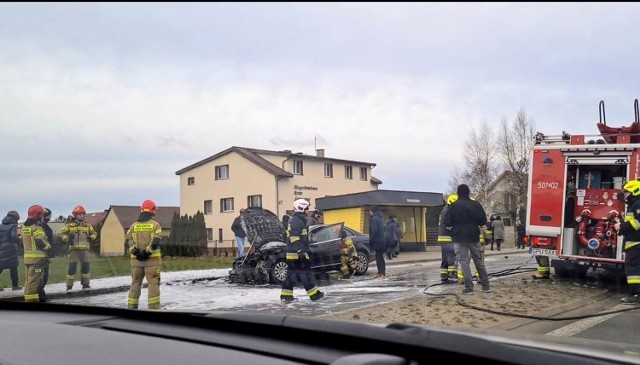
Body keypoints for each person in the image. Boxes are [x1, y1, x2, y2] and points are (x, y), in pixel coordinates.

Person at [444, 184, 491, 294]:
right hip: (474, 236)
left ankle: (469, 287)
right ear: (468, 192)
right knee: (479, 261)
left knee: (464, 262)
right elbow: (483, 220)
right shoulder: (476, 204)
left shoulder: (454, 206)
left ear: (458, 193)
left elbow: (447, 222)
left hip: (459, 237)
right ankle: (486, 286)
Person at [280, 199, 324, 302]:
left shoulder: (298, 220)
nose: (308, 211)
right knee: (306, 274)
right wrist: (301, 252)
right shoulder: (297, 221)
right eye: (307, 209)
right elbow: (294, 237)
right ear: (302, 208)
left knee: (291, 276)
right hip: (297, 254)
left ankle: (286, 296)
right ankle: (315, 295)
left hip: (293, 254)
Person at [126, 200, 163, 309]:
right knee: (153, 285)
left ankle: (131, 308)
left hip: (136, 262)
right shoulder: (155, 225)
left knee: (135, 284)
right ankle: (154, 309)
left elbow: (128, 241)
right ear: (153, 211)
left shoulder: (133, 226)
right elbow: (156, 241)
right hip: (152, 263)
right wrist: (147, 253)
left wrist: (137, 252)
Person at [614, 180, 640, 304]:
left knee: (633, 271)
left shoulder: (638, 204)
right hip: (634, 242)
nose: (625, 196)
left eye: (627, 193)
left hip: (636, 243)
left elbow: (638, 223)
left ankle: (636, 295)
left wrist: (621, 227)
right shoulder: (634, 204)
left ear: (634, 191)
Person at [60, 205, 97, 291]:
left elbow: (94, 233)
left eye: (82, 214)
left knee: (86, 267)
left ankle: (86, 284)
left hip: (85, 250)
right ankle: (69, 286)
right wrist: (67, 239)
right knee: (72, 268)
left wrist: (92, 237)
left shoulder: (87, 226)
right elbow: (62, 233)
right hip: (74, 250)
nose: (81, 216)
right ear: (75, 215)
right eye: (79, 214)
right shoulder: (69, 225)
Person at [21, 205, 51, 302]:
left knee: (29, 280)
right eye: (42, 214)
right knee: (35, 282)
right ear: (38, 215)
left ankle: (28, 298)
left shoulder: (25, 227)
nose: (43, 216)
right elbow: (40, 242)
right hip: (37, 260)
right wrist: (47, 246)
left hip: (28, 259)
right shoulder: (37, 228)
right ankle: (32, 301)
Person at [438, 195, 458, 283]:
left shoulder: (444, 210)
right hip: (448, 237)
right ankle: (452, 273)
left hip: (443, 236)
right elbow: (449, 225)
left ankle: (444, 276)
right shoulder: (449, 211)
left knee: (445, 257)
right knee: (451, 255)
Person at [0, 211, 22, 291]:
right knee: (13, 267)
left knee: (0, 266)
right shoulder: (13, 226)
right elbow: (14, 236)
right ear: (15, 218)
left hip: (1, 249)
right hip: (11, 249)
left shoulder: (1, 226)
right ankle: (15, 285)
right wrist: (19, 242)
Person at [37, 208, 54, 302]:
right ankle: (40, 295)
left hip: (43, 255)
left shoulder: (43, 226)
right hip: (40, 256)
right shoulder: (40, 227)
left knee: (42, 276)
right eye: (49, 215)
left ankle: (41, 293)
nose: (50, 217)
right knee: (42, 276)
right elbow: (44, 241)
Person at [368, 205, 386, 279]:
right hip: (381, 240)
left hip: (377, 241)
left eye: (370, 210)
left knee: (379, 258)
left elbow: (374, 230)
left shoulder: (374, 219)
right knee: (380, 257)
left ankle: (381, 273)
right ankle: (381, 273)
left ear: (372, 211)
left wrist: (371, 238)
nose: (369, 212)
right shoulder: (379, 218)